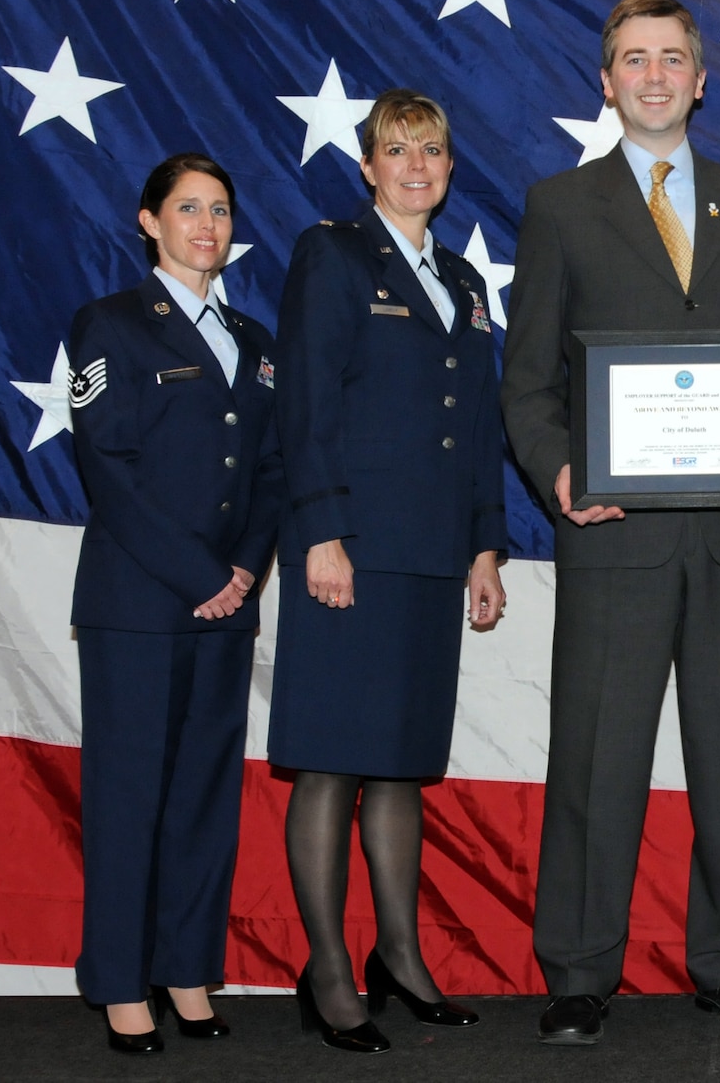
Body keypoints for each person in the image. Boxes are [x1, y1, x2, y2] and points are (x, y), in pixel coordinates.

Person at [501, 0, 720, 1044]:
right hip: (612, 527)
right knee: (594, 755)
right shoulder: (558, 204)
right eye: (632, 59)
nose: (652, 74)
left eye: (671, 57)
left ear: (699, 77)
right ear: (605, 80)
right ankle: (579, 967)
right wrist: (559, 469)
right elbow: (527, 380)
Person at [270, 89, 507, 1053]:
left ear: (451, 168)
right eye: (396, 149)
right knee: (330, 762)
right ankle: (327, 970)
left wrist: (486, 544)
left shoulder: (465, 280)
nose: (416, 165)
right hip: (351, 552)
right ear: (367, 166)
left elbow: (478, 429)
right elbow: (307, 405)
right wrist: (321, 533)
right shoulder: (331, 254)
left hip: (430, 557)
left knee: (403, 765)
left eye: (433, 150)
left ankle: (399, 957)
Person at [66, 153, 283, 1054]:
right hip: (140, 603)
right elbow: (107, 473)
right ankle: (120, 982)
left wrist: (242, 570)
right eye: (188, 208)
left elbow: (270, 473)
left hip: (228, 602)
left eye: (221, 210)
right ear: (149, 221)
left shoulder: (258, 342)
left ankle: (187, 970)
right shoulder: (110, 324)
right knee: (128, 795)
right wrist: (204, 576)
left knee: (202, 796)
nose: (207, 225)